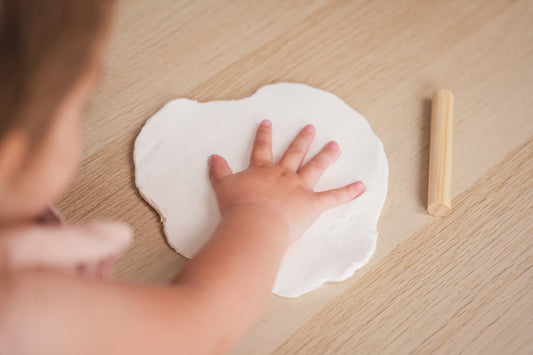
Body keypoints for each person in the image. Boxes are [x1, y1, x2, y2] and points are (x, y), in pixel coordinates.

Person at [0, 1, 365, 354]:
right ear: (12, 154)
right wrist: (265, 213)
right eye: (80, 106)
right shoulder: (24, 311)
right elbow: (201, 326)